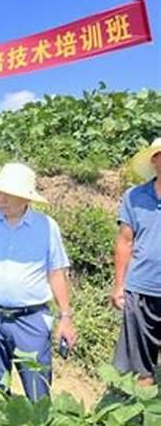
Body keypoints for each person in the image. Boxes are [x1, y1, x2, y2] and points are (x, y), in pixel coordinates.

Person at [0, 163, 77, 401]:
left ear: (25, 199)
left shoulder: (46, 227)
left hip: (30, 319)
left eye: (8, 194)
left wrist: (65, 317)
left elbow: (56, 273)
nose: (0, 198)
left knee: (38, 389)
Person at [112, 138, 161, 386]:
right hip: (141, 288)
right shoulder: (134, 197)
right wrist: (119, 286)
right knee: (140, 365)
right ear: (155, 161)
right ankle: (142, 415)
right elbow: (125, 242)